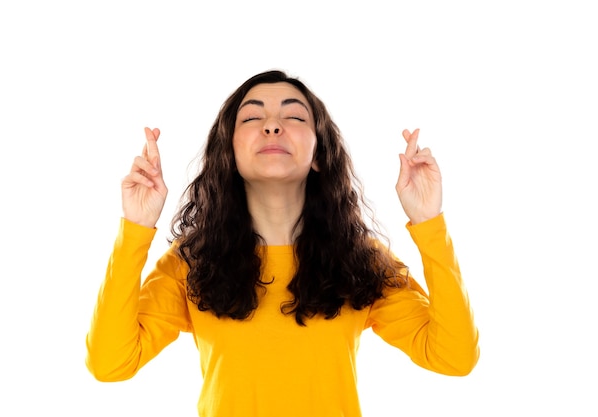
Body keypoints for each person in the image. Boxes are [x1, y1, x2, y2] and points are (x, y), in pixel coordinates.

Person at [85, 70, 479, 417]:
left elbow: (454, 357)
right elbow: (110, 363)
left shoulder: (361, 260)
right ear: (230, 153)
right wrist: (136, 227)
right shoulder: (191, 262)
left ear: (319, 155)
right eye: (253, 117)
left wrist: (428, 221)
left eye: (293, 116)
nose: (272, 126)